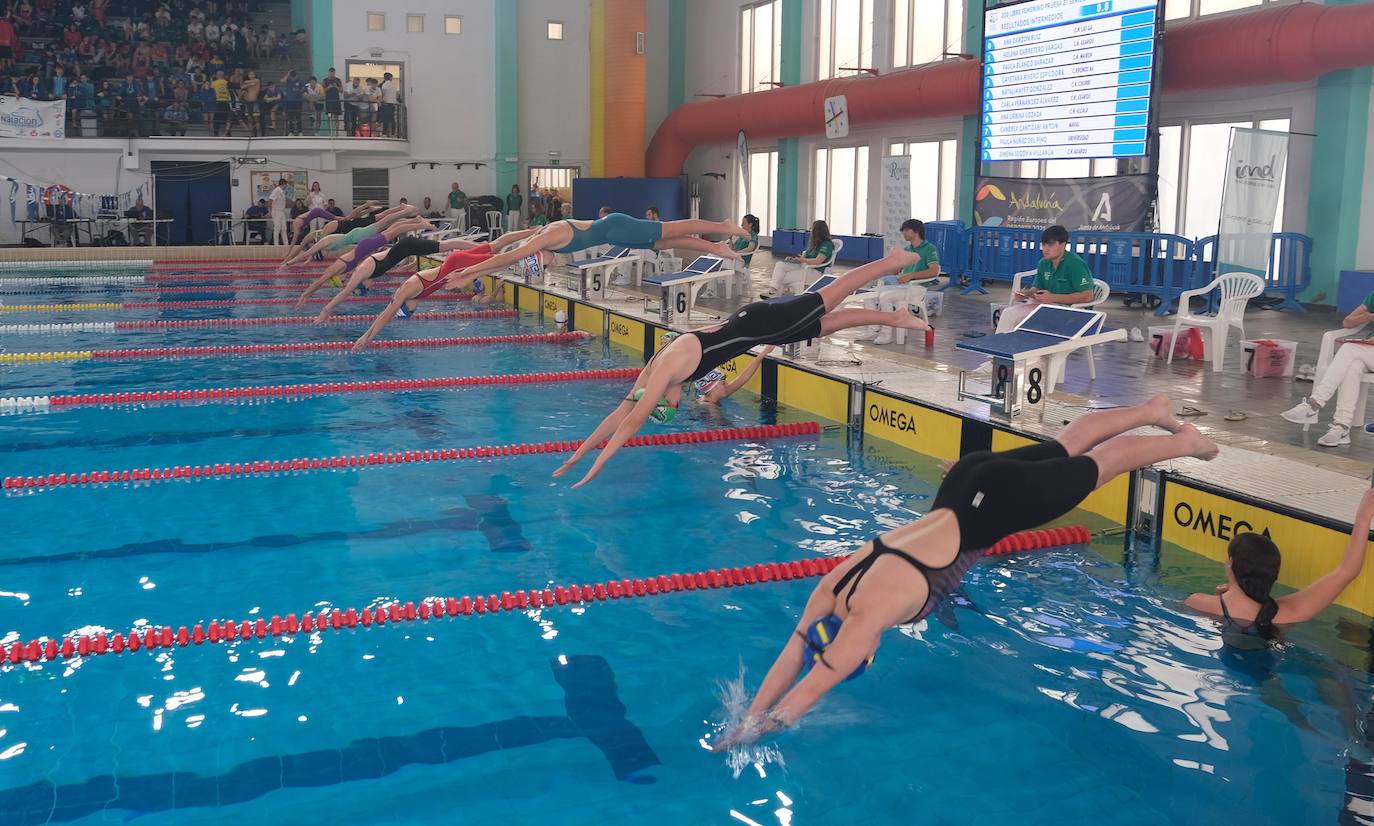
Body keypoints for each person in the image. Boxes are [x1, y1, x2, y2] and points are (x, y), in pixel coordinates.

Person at [713, 395, 1219, 749]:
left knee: (1100, 466)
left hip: (991, 504)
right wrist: (749, 717)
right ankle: (1153, 411)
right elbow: (794, 652)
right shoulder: (834, 584)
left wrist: (756, 730)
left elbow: (809, 685)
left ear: (857, 648)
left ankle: (1186, 442)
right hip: (964, 483)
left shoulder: (866, 617)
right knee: (1066, 446)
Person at [551, 247, 932, 488]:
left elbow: (632, 422)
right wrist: (577, 455)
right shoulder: (651, 372)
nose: (676, 404)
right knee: (824, 323)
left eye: (668, 407)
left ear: (664, 399)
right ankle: (896, 317)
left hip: (757, 324)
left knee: (828, 299)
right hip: (754, 327)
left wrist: (597, 466)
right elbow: (620, 414)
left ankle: (891, 261)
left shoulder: (665, 373)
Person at [1185, 489, 1374, 639]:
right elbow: (1347, 571)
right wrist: (1363, 517)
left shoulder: (1199, 602)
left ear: (1230, 562)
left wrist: (1221, 597)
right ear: (1273, 574)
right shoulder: (1288, 614)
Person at [351, 229, 540, 350]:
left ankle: (532, 248)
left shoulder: (406, 291)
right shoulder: (416, 293)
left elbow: (385, 315)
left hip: (455, 266)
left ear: (407, 306)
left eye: (410, 311)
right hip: (453, 264)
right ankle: (535, 233)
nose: (415, 311)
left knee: (501, 258)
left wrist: (365, 338)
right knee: (496, 245)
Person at [445, 213, 751, 286]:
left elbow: (507, 257)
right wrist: (470, 272)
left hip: (619, 227)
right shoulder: (538, 240)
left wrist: (467, 272)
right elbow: (505, 253)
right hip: (618, 234)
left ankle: (723, 227)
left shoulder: (544, 240)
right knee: (667, 242)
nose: (550, 266)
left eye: (543, 265)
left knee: (673, 229)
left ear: (537, 257)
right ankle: (716, 246)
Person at [311, 231, 486, 322]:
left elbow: (344, 294)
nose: (371, 288)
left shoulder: (362, 272)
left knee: (448, 245)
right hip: (405, 249)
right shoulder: (370, 273)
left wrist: (326, 311)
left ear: (361, 284)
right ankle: (484, 247)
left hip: (407, 246)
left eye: (366, 288)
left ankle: (485, 246)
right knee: (447, 246)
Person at [1280, 293, 1374, 447]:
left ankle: (1314, 404)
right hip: (1369, 352)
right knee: (1352, 366)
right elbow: (1348, 322)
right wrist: (1368, 317)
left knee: (1349, 349)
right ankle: (1342, 428)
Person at [292, 218, 436, 308]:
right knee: (392, 230)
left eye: (341, 282)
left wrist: (305, 295)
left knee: (393, 231)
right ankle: (416, 221)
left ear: (336, 278)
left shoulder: (333, 269)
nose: (344, 282)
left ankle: (420, 223)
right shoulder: (344, 271)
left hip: (364, 246)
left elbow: (318, 283)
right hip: (364, 248)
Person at [858, 219, 941, 345]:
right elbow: (899, 270)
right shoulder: (907, 248)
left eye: (907, 230)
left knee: (885, 297)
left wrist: (911, 276)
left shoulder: (929, 249)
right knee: (868, 295)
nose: (904, 233)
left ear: (916, 231)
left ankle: (886, 334)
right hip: (901, 286)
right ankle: (873, 329)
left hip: (917, 288)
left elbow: (934, 271)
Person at [764, 220, 834, 298]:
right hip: (804, 266)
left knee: (782, 278)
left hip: (814, 271)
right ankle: (772, 290)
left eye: (812, 229)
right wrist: (794, 260)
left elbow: (818, 261)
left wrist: (803, 260)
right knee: (780, 265)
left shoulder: (826, 245)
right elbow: (803, 258)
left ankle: (775, 296)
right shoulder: (814, 244)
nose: (811, 231)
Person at [268, 177, 289, 245]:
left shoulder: (282, 192)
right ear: (284, 184)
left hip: (281, 212)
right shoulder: (276, 190)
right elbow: (270, 200)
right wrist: (270, 211)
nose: (286, 186)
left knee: (284, 228)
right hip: (276, 211)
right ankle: (276, 244)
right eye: (286, 185)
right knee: (277, 228)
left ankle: (286, 244)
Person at [378, 71, 397, 136]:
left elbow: (382, 94)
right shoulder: (394, 85)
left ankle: (384, 133)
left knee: (385, 119)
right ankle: (393, 133)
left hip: (386, 104)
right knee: (392, 119)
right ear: (391, 78)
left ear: (384, 78)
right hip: (393, 104)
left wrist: (380, 100)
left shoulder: (384, 85)